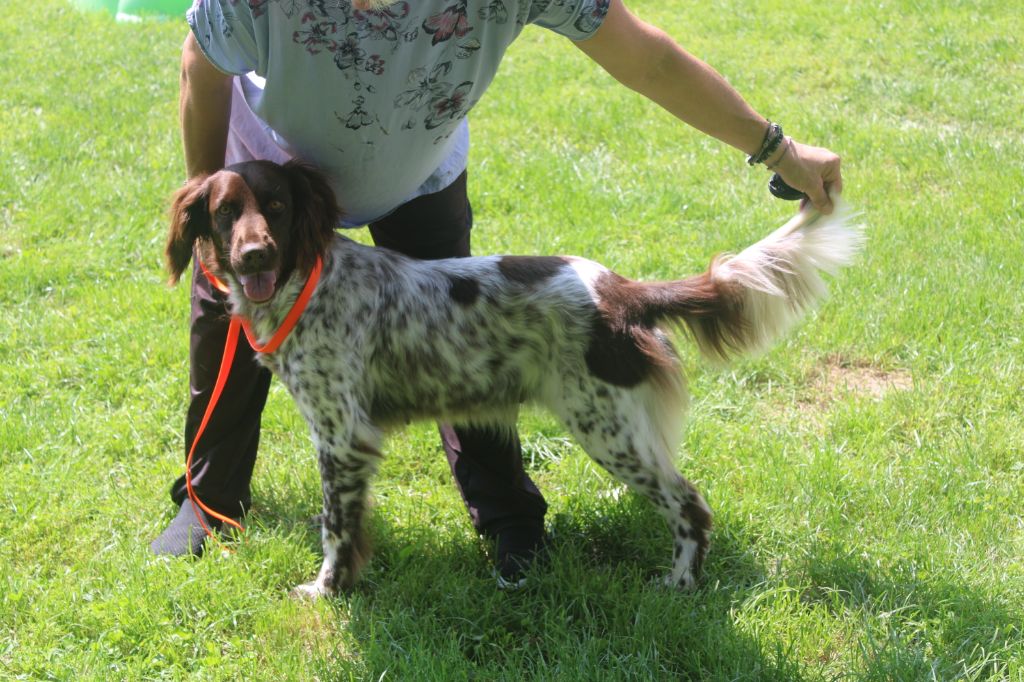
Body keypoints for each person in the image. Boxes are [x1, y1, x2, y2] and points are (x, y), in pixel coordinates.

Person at [151, 0, 843, 587]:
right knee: (230, 331)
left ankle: (510, 519)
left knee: (466, 349)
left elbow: (648, 60)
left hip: (416, 168)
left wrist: (778, 149)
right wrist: (212, 212)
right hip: (271, 181)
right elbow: (200, 65)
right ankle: (210, 501)